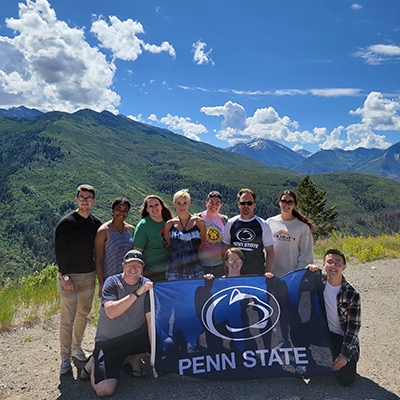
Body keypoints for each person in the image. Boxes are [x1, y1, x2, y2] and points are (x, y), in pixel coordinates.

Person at [80, 250, 153, 397]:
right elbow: (111, 312)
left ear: (142, 267)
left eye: (137, 265)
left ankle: (134, 359)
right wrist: (138, 293)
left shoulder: (146, 284)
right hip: (109, 342)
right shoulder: (112, 282)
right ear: (123, 265)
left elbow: (150, 320)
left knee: (165, 344)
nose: (133, 268)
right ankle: (93, 363)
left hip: (134, 336)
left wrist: (155, 353)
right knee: (104, 390)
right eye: (130, 264)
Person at [55, 184, 102, 375]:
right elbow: (60, 251)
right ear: (76, 200)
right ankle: (65, 357)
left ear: (93, 201)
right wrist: (65, 276)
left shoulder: (96, 224)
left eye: (88, 198)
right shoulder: (66, 223)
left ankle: (77, 347)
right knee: (67, 318)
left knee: (83, 314)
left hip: (89, 275)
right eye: (82, 197)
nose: (85, 201)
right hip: (70, 277)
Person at [307, 249, 361, 386]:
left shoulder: (352, 293)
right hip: (322, 333)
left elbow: (353, 328)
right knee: (294, 330)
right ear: (324, 265)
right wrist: (308, 271)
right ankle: (309, 361)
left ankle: (337, 356)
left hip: (341, 337)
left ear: (344, 267)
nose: (333, 265)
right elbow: (296, 285)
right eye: (330, 261)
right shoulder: (318, 283)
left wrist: (345, 355)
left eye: (338, 263)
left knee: (346, 380)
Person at [222, 188, 274, 276]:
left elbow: (270, 251)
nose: (246, 205)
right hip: (234, 273)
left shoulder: (262, 224)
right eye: (243, 203)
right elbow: (225, 248)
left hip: (256, 273)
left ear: (254, 205)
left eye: (249, 203)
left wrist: (267, 271)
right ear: (238, 204)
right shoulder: (231, 223)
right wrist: (225, 268)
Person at [267, 190, 315, 277]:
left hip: (292, 277)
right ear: (279, 202)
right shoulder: (270, 222)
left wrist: (297, 275)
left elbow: (306, 255)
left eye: (290, 202)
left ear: (294, 204)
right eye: (283, 201)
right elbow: (264, 249)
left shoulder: (302, 227)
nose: (286, 204)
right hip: (270, 276)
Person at [95, 198, 135, 297]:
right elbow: (98, 259)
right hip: (110, 280)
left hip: (129, 280)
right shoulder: (103, 231)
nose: (122, 212)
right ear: (112, 211)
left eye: (125, 210)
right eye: (118, 209)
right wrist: (101, 283)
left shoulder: (131, 230)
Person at [164, 189, 206, 280]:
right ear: (174, 204)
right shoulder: (169, 225)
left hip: (194, 265)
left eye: (184, 203)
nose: (182, 206)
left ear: (189, 203)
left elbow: (202, 244)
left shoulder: (200, 222)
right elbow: (170, 244)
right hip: (174, 267)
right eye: (178, 203)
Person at [133, 195, 173, 282]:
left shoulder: (169, 221)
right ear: (147, 210)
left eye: (156, 205)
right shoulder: (143, 226)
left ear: (161, 206)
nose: (154, 208)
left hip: (171, 270)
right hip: (151, 272)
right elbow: (137, 251)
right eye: (150, 206)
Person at [195, 191, 228, 277]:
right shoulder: (197, 219)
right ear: (206, 203)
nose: (214, 206)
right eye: (211, 202)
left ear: (221, 205)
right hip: (201, 265)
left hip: (219, 264)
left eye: (217, 203)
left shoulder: (225, 220)